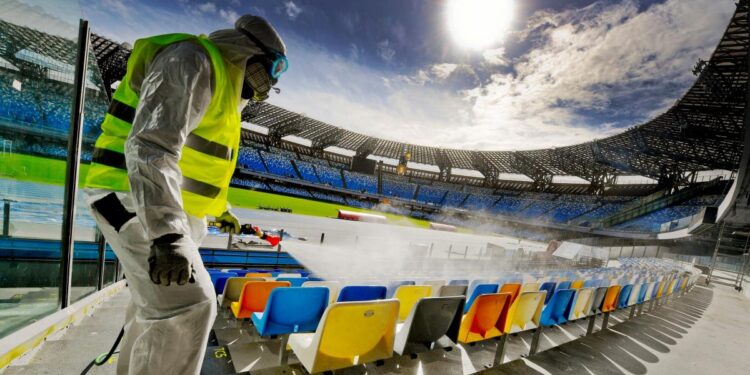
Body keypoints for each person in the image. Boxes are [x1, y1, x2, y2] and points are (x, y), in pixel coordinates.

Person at [83, 14, 287, 375]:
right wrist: (167, 235)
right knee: (189, 305)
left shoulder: (222, 90)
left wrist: (219, 209)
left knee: (155, 308)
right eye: (266, 72)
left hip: (160, 204)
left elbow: (195, 164)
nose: (265, 87)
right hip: (130, 195)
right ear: (246, 51)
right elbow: (151, 146)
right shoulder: (192, 59)